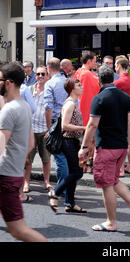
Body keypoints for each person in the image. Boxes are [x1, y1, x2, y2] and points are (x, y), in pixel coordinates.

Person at [78, 65, 130, 232]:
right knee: (114, 180)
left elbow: (92, 125)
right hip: (121, 146)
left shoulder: (99, 99)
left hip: (106, 147)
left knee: (106, 184)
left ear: (99, 81)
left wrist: (84, 147)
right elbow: (129, 122)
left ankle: (111, 222)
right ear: (113, 79)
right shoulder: (125, 97)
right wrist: (129, 142)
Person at [0, 61, 47, 242]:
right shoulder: (25, 106)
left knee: (19, 230)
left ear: (9, 82)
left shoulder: (8, 110)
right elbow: (30, 144)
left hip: (5, 175)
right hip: (14, 173)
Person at [48, 78, 86, 213]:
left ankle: (70, 203)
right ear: (71, 88)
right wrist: (83, 128)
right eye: (78, 85)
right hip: (68, 142)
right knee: (77, 172)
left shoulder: (73, 103)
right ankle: (56, 192)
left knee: (73, 173)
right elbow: (65, 125)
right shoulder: (70, 104)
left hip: (72, 142)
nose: (82, 86)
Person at [44, 57, 70, 207]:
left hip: (57, 124)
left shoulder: (50, 83)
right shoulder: (68, 82)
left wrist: (49, 129)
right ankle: (66, 188)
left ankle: (63, 189)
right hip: (69, 123)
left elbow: (48, 108)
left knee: (60, 159)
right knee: (67, 156)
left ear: (48, 68)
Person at [23, 65, 52, 194]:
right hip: (30, 130)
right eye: (38, 74)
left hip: (45, 130)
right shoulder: (29, 90)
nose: (40, 76)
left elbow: (55, 111)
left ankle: (46, 182)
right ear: (35, 76)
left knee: (46, 159)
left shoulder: (49, 91)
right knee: (28, 159)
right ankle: (26, 183)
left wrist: (50, 129)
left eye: (43, 74)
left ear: (47, 76)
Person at [114, 55, 130, 175]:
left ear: (120, 66)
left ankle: (121, 169)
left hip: (120, 113)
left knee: (121, 141)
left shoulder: (120, 82)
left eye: (116, 65)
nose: (115, 67)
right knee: (129, 139)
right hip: (129, 112)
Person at [74, 51, 100, 127]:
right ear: (89, 61)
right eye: (95, 61)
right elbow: (98, 90)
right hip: (86, 111)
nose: (96, 63)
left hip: (79, 109)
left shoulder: (78, 72)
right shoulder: (87, 74)